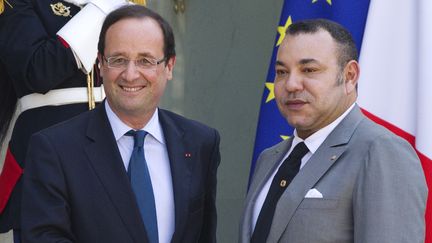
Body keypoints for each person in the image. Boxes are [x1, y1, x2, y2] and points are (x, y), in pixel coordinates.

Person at [21, 5, 221, 243]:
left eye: (146, 61)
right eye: (118, 60)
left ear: (169, 66)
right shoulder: (54, 150)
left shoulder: (200, 143)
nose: (130, 74)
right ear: (100, 66)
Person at [239, 19, 427, 243]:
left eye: (309, 69)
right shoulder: (269, 158)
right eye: (281, 72)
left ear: (349, 76)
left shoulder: (381, 151)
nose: (291, 84)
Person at [0, 0, 140, 242]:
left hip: (115, 156)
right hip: (46, 161)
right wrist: (100, 9)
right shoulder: (21, 3)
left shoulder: (125, 5)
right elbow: (38, 70)